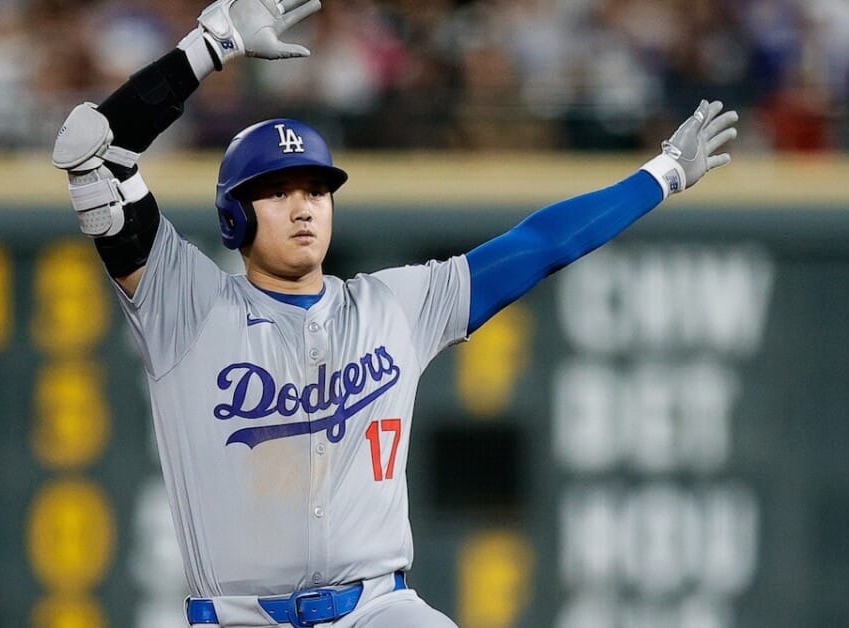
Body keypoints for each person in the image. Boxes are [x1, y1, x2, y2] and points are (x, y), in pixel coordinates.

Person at [52, 1, 738, 626]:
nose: (301, 206)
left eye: (316, 190)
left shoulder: (396, 307)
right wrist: (212, 44)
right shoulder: (185, 304)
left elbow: (538, 246)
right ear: (233, 216)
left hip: (377, 610)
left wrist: (659, 176)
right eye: (277, 191)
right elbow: (92, 148)